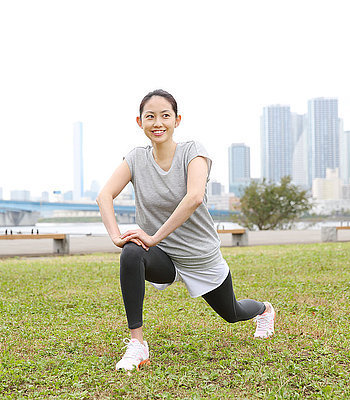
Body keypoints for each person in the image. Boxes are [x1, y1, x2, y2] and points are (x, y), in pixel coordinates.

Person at [96, 89, 275, 372]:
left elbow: (194, 198)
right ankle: (137, 344)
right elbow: (104, 195)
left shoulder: (193, 151)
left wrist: (153, 237)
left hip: (199, 257)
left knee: (233, 312)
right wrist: (117, 236)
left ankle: (264, 310)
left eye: (165, 116)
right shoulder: (135, 159)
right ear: (139, 122)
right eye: (150, 116)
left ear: (177, 120)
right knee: (131, 252)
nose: (158, 122)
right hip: (164, 257)